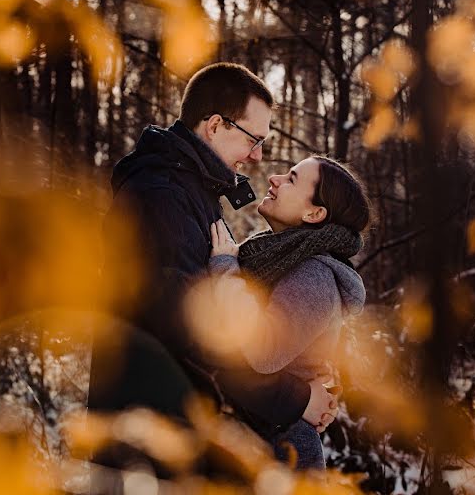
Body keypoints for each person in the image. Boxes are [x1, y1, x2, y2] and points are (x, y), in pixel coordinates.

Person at [89, 62, 338, 441]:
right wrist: (295, 398)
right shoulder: (162, 196)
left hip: (171, 425)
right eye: (253, 139)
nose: (257, 156)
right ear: (216, 125)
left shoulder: (193, 191)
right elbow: (196, 335)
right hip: (148, 434)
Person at [209, 155, 372, 469]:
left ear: (314, 213)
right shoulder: (277, 255)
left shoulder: (316, 275)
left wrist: (224, 272)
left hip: (281, 450)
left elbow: (264, 351)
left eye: (292, 179)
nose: (274, 178)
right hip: (260, 431)